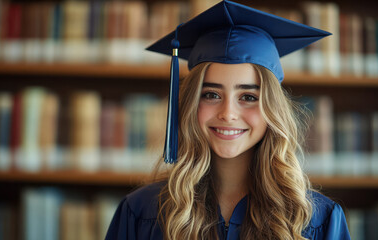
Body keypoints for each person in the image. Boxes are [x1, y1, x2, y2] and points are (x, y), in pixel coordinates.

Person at [106, 1, 351, 239]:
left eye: (248, 96)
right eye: (211, 95)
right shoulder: (142, 212)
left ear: (272, 109)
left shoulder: (316, 219)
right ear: (191, 103)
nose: (228, 113)